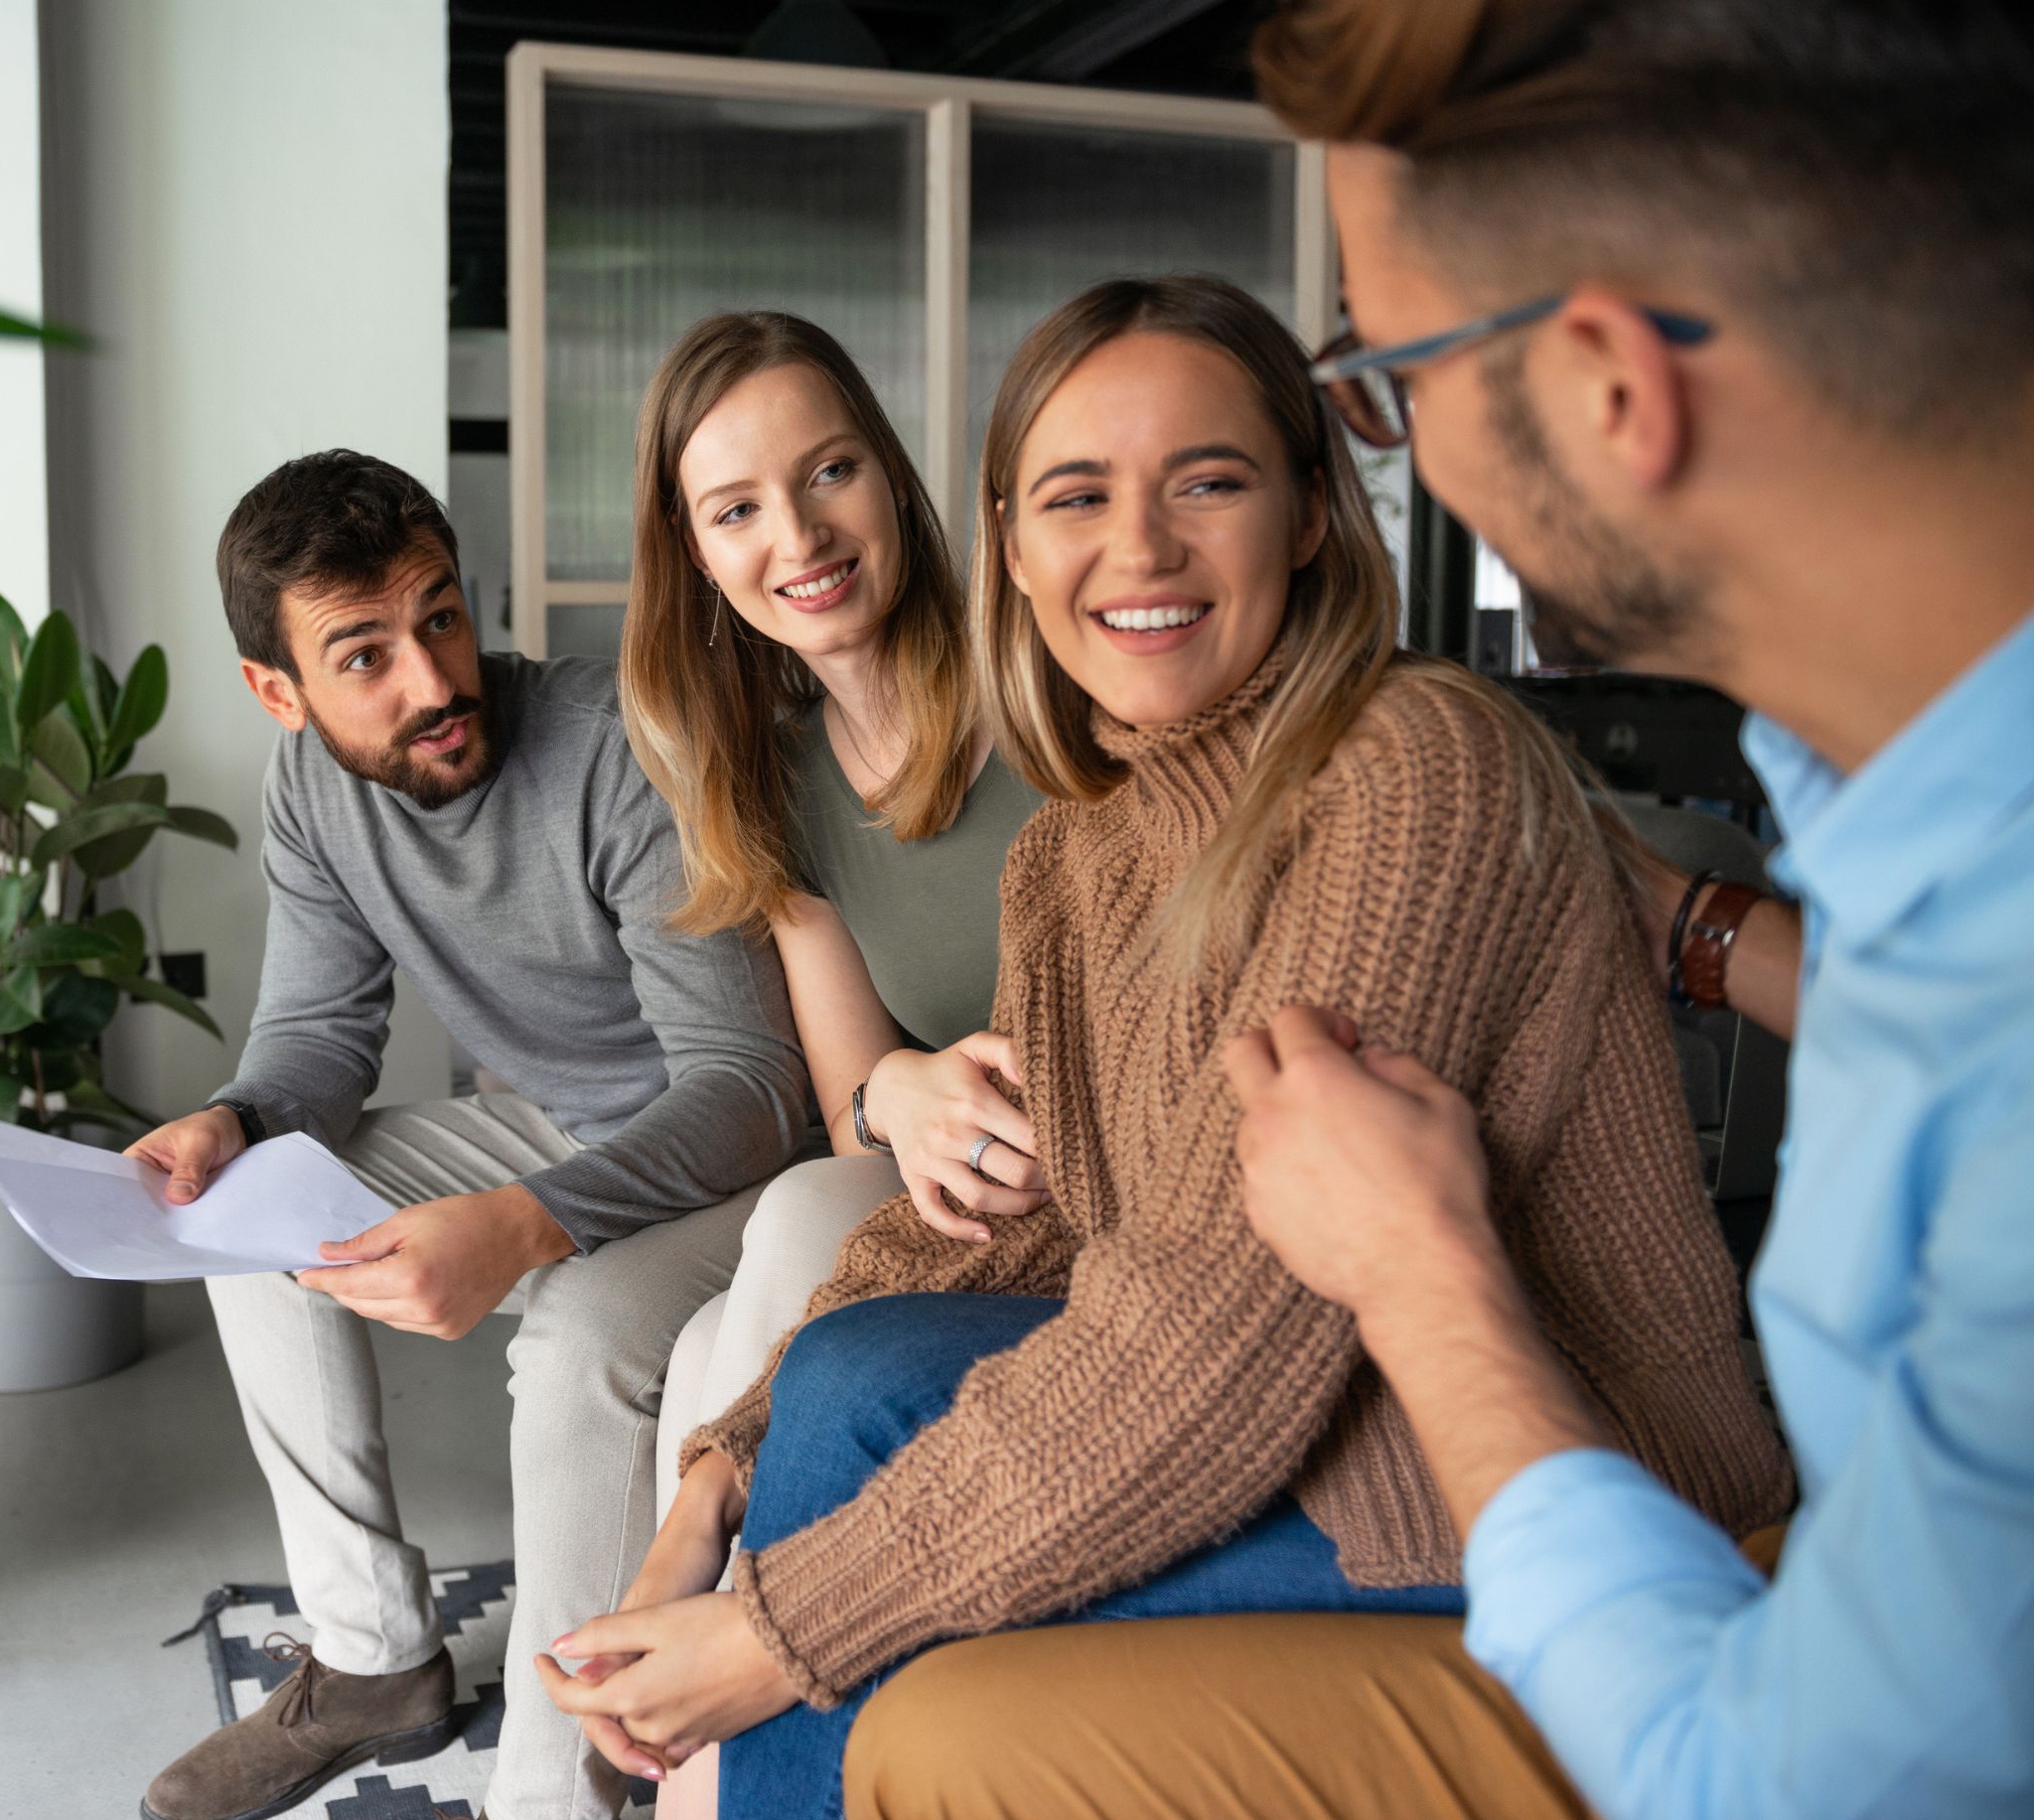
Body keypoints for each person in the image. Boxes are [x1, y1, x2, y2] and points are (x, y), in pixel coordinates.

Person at [963, 0, 2034, 1818]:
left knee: (928, 1733)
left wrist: (1424, 1273)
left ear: (1600, 390)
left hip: (1733, 1667)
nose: (1391, 445)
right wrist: (1685, 923)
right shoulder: (1926, 807)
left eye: (1378, 384)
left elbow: (1787, 1787)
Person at [536, 275, 1793, 1820]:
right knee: (851, 1368)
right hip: (1319, 1425)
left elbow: (1223, 1329)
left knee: (870, 1645)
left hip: (1538, 1477)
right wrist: (713, 1478)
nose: (1139, 549)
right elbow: (1024, 1211)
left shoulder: (1411, 765)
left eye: (1209, 480)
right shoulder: (1080, 858)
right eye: (1079, 495)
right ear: (1011, 540)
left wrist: (772, 1628)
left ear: (1313, 515)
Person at [133, 451, 813, 1820]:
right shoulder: (313, 792)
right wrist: (237, 1117)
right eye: (364, 653)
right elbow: (322, 1035)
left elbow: (748, 1083)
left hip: (738, 1157)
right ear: (280, 691)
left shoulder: (619, 742)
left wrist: (526, 1223)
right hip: (553, 1121)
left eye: (440, 615)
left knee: (569, 1341)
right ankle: (376, 1654)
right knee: (247, 1207)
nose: (434, 680)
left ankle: (557, 1793)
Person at [601, 312, 1053, 1817]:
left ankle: (690, 1693)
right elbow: (850, 1071)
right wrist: (900, 1089)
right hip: (970, 1155)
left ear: (892, 475)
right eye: (736, 508)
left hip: (1091, 1172)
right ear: (695, 548)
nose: (798, 534)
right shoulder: (770, 766)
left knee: (793, 1235)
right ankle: (640, 1735)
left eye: (831, 470)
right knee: (730, 1300)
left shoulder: (1035, 672)